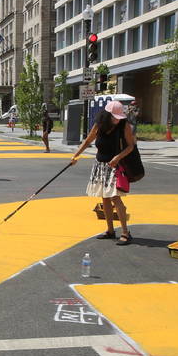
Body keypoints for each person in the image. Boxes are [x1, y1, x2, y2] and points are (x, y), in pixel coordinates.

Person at [71, 100, 137, 246]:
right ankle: (110, 230)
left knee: (115, 198)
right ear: (107, 115)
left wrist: (118, 157)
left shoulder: (123, 125)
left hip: (114, 166)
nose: (116, 120)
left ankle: (126, 232)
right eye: (114, 117)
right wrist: (76, 155)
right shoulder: (100, 125)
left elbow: (131, 146)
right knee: (105, 199)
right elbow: (88, 140)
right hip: (100, 165)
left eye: (118, 117)